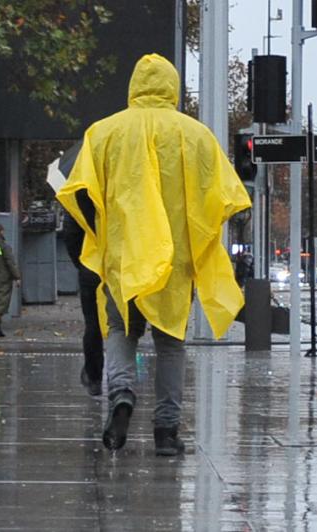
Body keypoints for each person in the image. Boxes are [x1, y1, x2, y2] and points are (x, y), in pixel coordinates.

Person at [57, 54, 251, 456]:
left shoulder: (103, 133)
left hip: (123, 259)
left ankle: (122, 395)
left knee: (120, 332)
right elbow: (225, 197)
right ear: (173, 87)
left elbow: (77, 192)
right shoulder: (196, 136)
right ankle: (166, 432)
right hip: (174, 264)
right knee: (170, 346)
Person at [61, 211, 104, 396]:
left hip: (91, 265)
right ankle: (122, 382)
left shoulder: (81, 188)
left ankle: (94, 377)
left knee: (93, 324)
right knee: (121, 325)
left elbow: (71, 233)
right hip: (121, 264)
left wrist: (82, 262)